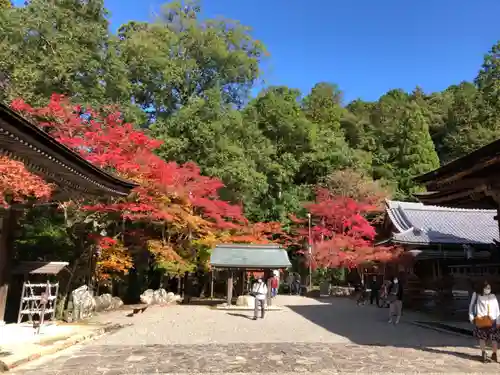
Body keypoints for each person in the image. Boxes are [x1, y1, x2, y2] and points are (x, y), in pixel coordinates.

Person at [469, 280, 500, 363]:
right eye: (486, 288)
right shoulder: (476, 295)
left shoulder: (493, 296)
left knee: (494, 339)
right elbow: (471, 306)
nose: (488, 289)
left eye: (489, 288)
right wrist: (471, 317)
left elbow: (497, 310)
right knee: (482, 338)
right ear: (482, 288)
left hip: (492, 321)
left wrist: (498, 321)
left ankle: (494, 354)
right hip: (481, 320)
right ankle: (484, 354)